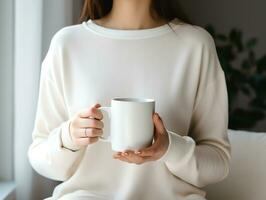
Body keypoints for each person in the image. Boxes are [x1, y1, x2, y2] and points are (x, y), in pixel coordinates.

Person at [28, 0, 231, 199]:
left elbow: (219, 161)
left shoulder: (196, 44)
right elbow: (39, 156)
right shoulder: (67, 44)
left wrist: (170, 148)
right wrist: (69, 137)